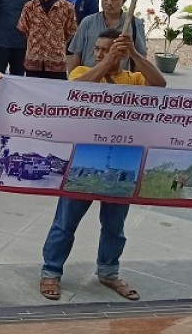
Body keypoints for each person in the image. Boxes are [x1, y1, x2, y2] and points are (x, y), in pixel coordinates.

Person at [39, 29, 166, 302]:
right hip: (84, 159)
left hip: (124, 161)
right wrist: (106, 63)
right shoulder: (83, 71)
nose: (97, 53)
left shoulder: (132, 79)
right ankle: (51, 271)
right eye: (96, 48)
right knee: (65, 222)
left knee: (114, 226)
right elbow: (76, 89)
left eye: (104, 49)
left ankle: (109, 271)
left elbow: (159, 83)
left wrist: (133, 54)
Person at [66, 0, 148, 71]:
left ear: (123, 1)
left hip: (120, 80)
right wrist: (73, 80)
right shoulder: (88, 22)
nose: (109, 2)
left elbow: (140, 56)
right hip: (90, 78)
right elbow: (77, 54)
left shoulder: (134, 24)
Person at [17, 0, 77, 80]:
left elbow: (70, 31)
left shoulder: (67, 7)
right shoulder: (29, 7)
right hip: (34, 62)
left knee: (56, 94)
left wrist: (58, 44)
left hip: (57, 62)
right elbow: (25, 30)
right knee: (33, 93)